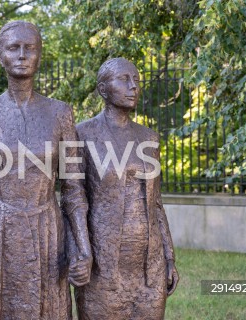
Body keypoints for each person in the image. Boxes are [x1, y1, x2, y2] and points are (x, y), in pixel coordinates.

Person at [0, 21, 92, 320]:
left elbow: (73, 190)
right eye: (13, 47)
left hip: (46, 230)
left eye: (30, 48)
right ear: (0, 55)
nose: (22, 55)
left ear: (40, 55)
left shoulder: (60, 112)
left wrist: (83, 248)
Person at [75, 58, 179, 319]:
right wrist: (77, 251)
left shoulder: (149, 138)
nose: (134, 86)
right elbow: (73, 200)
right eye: (124, 79)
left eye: (137, 80)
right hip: (103, 262)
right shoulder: (82, 135)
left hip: (148, 265)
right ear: (103, 89)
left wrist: (169, 257)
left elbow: (156, 204)